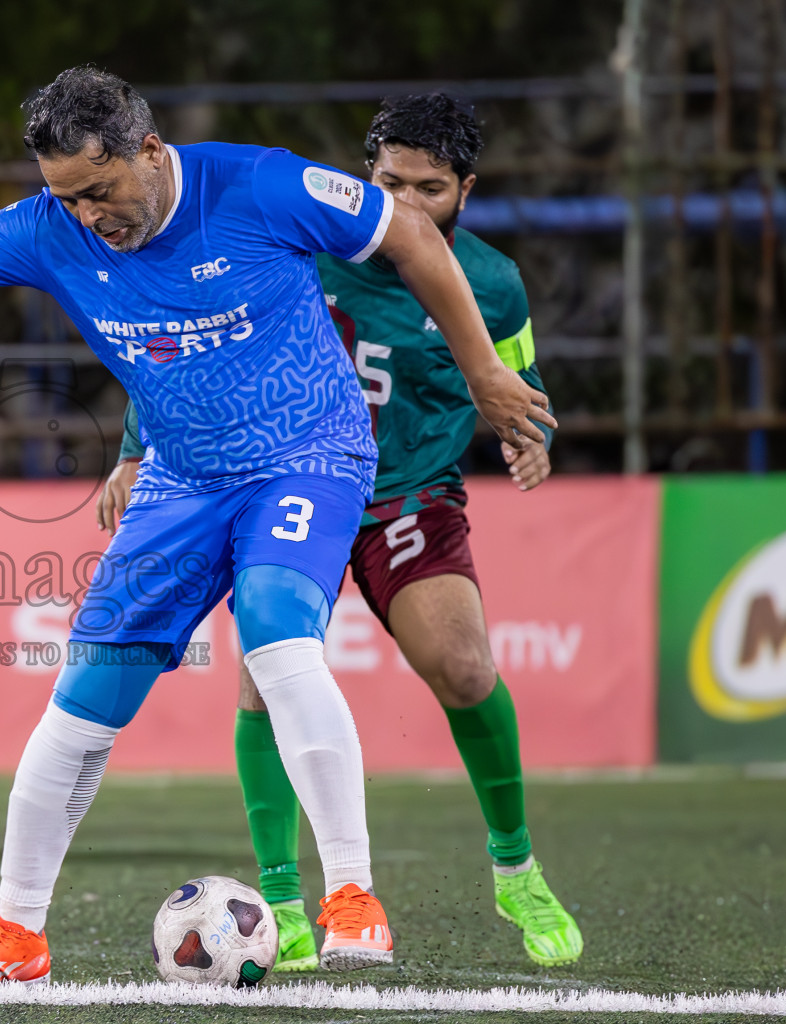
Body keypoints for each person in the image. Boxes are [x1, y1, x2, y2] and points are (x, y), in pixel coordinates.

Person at [0, 66, 554, 983]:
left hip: (307, 457)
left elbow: (413, 235)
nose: (85, 216)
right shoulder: (48, 226)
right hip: (182, 483)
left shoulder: (260, 184)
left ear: (150, 151)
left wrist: (482, 372)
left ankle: (351, 893)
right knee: (85, 695)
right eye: (63, 197)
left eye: (99, 191)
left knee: (274, 632)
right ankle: (17, 934)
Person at [97, 94, 583, 970]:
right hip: (281, 483)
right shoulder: (299, 239)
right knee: (262, 682)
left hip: (406, 496)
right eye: (388, 182)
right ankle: (283, 904)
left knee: (466, 667)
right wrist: (135, 452)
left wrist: (530, 437)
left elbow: (518, 380)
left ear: (467, 189)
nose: (405, 204)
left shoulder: (495, 282)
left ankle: (516, 869)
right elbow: (185, 347)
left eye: (429, 188)